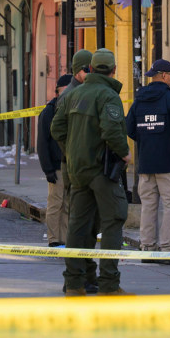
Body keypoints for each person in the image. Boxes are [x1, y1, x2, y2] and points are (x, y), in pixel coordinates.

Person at [50, 49, 131, 297]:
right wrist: (125, 153)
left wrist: (73, 150)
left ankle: (74, 283)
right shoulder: (108, 95)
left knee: (77, 225)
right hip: (101, 170)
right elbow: (111, 130)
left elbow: (57, 128)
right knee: (113, 221)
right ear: (114, 70)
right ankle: (109, 283)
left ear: (92, 69)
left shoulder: (72, 95)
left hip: (77, 171)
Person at [126, 59, 170, 265]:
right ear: (165, 76)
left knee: (148, 206)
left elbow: (129, 127)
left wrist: (146, 138)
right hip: (169, 165)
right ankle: (167, 249)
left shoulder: (140, 100)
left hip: (146, 164)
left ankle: (148, 248)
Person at [38, 74, 73, 247]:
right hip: (57, 166)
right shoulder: (49, 112)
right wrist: (48, 169)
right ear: (58, 91)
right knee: (55, 204)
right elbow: (42, 142)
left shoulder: (69, 108)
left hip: (69, 165)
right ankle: (54, 239)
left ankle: (64, 239)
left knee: (67, 204)